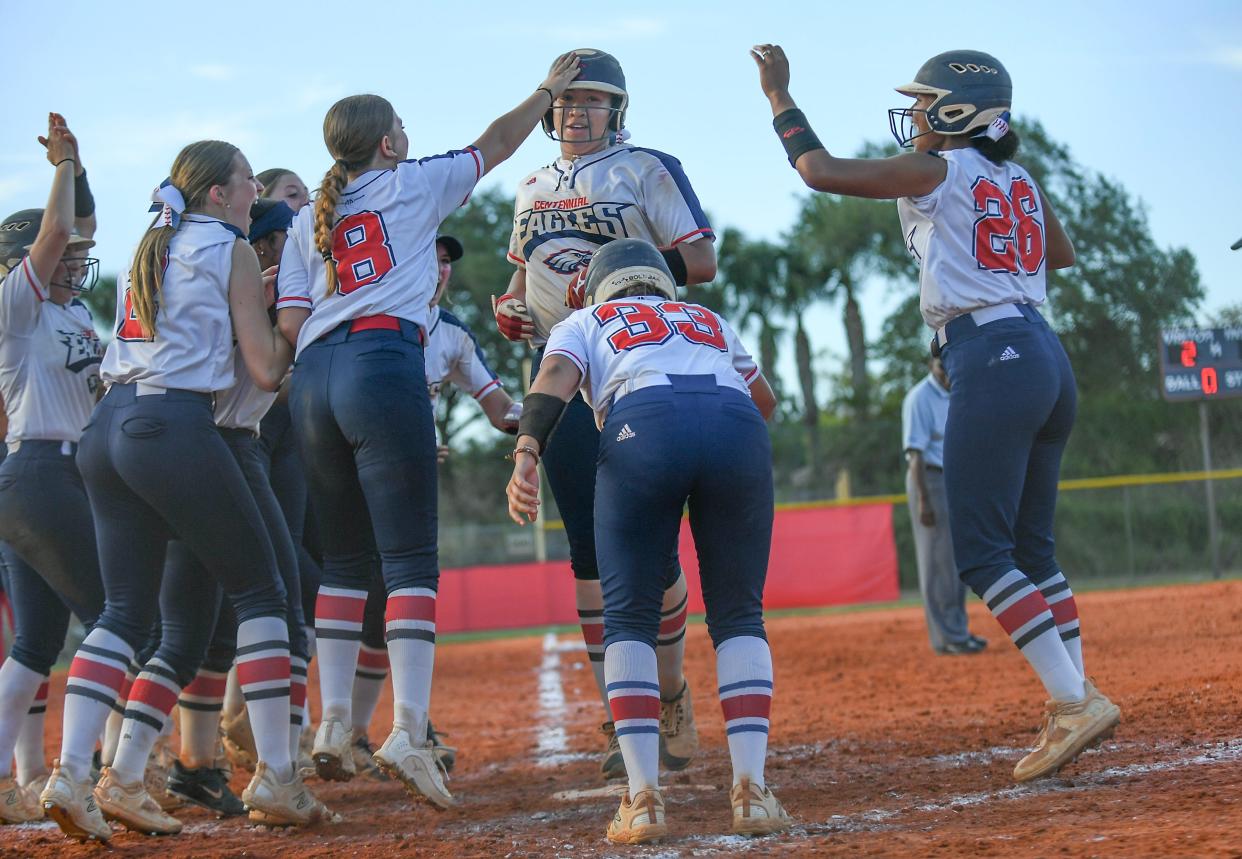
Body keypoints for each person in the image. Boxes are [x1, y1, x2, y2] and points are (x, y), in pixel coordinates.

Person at [750, 45, 1119, 783]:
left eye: (925, 104)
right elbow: (1064, 254)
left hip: (991, 351)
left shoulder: (940, 168)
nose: (915, 115)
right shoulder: (1017, 174)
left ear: (957, 112)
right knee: (1033, 549)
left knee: (982, 553)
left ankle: (1074, 701)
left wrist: (778, 96)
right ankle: (1075, 698)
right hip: (1045, 350)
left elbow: (818, 171)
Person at [276, 55, 581, 808]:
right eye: (400, 127)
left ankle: (332, 722)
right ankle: (407, 727)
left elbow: (288, 322)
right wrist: (546, 91)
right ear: (385, 144)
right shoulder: (411, 182)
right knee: (410, 560)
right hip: (383, 361)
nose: (408, 135)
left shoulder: (304, 221)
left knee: (345, 561)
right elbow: (498, 141)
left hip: (311, 379)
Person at [42, 139, 327, 843]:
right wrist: (303, 318)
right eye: (245, 181)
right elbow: (264, 369)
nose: (253, 189)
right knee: (265, 593)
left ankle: (81, 774)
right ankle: (279, 774)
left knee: (127, 612)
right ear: (215, 195)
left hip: (109, 426)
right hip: (173, 427)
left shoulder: (157, 242)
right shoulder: (226, 247)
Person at [506, 239, 790, 843]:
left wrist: (528, 448)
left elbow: (555, 377)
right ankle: (753, 793)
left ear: (591, 288)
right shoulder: (707, 319)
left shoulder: (584, 319)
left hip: (643, 423)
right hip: (735, 426)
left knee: (629, 619)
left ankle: (643, 799)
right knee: (740, 615)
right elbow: (763, 401)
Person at [495, 48, 715, 779]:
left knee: (647, 541)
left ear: (617, 109)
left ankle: (673, 691)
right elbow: (521, 277)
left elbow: (701, 259)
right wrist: (511, 307)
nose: (576, 111)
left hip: (634, 366)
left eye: (592, 99)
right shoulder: (528, 186)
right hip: (562, 371)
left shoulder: (647, 167)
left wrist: (622, 283)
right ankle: (626, 720)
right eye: (566, 99)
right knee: (587, 551)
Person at [348, 233, 517, 779]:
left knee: (384, 609)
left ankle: (366, 730)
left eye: (445, 262)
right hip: (340, 479)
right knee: (311, 601)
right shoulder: (362, 312)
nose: (440, 269)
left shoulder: (450, 335)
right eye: (430, 257)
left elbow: (498, 407)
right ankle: (293, 729)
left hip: (397, 484)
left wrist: (548, 406)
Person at [0, 114, 106, 825]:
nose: (73, 263)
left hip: (56, 478)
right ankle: (106, 770)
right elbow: (56, 237)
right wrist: (63, 168)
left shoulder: (75, 312)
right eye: (60, 259)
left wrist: (81, 172)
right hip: (40, 472)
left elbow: (80, 229)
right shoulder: (16, 307)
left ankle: (16, 778)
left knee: (37, 642)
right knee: (114, 620)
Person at [902, 356, 986, 655]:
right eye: (941, 367)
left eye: (949, 366)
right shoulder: (919, 398)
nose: (946, 372)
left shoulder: (958, 392)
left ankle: (957, 631)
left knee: (955, 562)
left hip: (955, 479)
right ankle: (947, 638)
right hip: (930, 480)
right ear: (930, 366)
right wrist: (924, 501)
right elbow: (915, 457)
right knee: (937, 561)